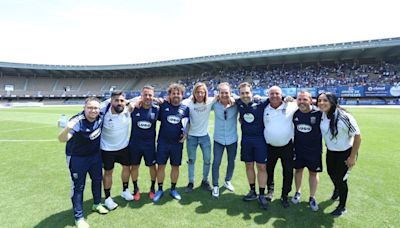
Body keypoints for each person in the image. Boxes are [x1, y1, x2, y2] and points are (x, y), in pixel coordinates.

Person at [58, 97, 108, 228]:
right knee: (78, 186)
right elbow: (62, 139)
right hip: (77, 157)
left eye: (96, 108)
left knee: (97, 180)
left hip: (95, 156)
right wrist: (67, 128)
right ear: (84, 108)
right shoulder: (77, 121)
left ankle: (97, 204)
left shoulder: (101, 115)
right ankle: (79, 217)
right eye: (90, 108)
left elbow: (114, 100)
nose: (93, 110)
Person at [317, 92, 361, 217]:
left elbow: (358, 137)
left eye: (325, 100)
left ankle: (342, 206)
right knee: (331, 174)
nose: (321, 103)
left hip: (346, 152)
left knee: (341, 180)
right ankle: (337, 189)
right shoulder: (322, 115)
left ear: (332, 102)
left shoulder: (344, 117)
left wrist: (352, 157)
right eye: (319, 100)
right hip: (331, 151)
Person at [153, 83, 189, 203]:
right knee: (161, 166)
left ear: (182, 95)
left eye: (178, 93)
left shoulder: (185, 109)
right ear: (169, 95)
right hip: (163, 143)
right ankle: (160, 189)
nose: (176, 95)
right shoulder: (163, 106)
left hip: (177, 144)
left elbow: (187, 124)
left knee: (175, 167)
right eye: (173, 93)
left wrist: (186, 134)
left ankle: (173, 189)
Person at [236, 82, 269, 210]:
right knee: (248, 165)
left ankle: (261, 194)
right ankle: (252, 191)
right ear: (240, 94)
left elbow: (276, 99)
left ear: (252, 92)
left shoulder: (261, 103)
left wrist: (288, 99)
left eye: (247, 92)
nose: (245, 95)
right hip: (246, 141)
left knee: (261, 166)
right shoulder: (238, 103)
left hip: (260, 140)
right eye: (242, 93)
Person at [263, 85, 298, 208]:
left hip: (287, 146)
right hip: (269, 146)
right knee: (269, 170)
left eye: (276, 93)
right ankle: (270, 191)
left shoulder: (291, 106)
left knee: (288, 172)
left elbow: (306, 104)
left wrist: (293, 100)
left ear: (281, 95)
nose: (274, 96)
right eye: (271, 94)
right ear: (268, 96)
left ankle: (284, 195)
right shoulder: (264, 108)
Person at [100, 91, 133, 211]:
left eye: (122, 100)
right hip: (107, 149)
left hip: (124, 147)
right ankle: (108, 198)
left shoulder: (127, 110)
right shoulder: (103, 113)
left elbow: (140, 99)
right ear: (111, 101)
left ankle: (125, 190)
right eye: (116, 100)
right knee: (108, 172)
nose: (119, 103)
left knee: (126, 168)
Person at [291, 90, 322, 211]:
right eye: (299, 99)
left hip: (314, 151)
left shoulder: (319, 113)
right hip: (298, 149)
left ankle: (312, 197)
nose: (302, 102)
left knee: (313, 173)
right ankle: (297, 192)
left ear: (310, 100)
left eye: (305, 99)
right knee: (298, 171)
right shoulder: (294, 114)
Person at [129, 85, 159, 200]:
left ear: (153, 96)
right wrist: (134, 103)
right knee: (134, 166)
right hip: (135, 144)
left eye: (150, 95)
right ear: (141, 96)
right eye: (145, 95)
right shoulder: (135, 108)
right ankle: (136, 189)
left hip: (149, 145)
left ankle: (152, 188)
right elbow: (125, 106)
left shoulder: (156, 109)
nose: (147, 97)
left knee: (152, 166)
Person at [184, 82, 215, 193]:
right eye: (197, 92)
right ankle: (191, 182)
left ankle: (205, 181)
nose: (200, 94)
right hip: (191, 137)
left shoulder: (210, 102)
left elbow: (223, 96)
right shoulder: (188, 103)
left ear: (205, 93)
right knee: (191, 160)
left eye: (202, 92)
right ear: (194, 93)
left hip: (204, 137)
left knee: (207, 160)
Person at [211, 82, 238, 198]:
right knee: (216, 162)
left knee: (231, 162)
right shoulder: (214, 104)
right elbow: (201, 101)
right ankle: (215, 185)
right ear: (218, 94)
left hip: (232, 139)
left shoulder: (236, 103)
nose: (224, 95)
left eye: (226, 92)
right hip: (218, 139)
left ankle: (227, 181)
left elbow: (248, 98)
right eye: (222, 93)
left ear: (230, 93)